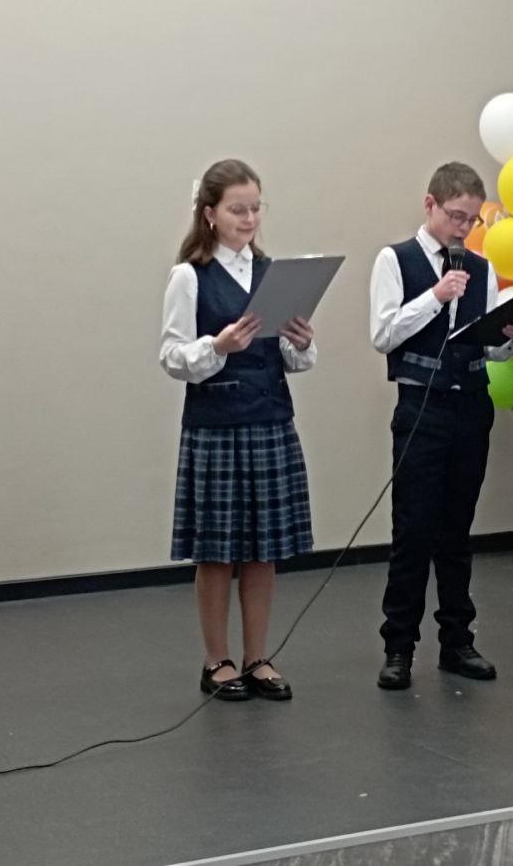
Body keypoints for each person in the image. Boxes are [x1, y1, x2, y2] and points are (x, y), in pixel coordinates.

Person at [368, 161, 513, 690]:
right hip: (421, 407)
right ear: (430, 205)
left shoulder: (482, 269)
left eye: (471, 220)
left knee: (457, 531)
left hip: (470, 407)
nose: (463, 228)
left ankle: (457, 640)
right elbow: (383, 334)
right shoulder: (395, 260)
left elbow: (482, 345)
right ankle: (399, 646)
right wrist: (435, 296)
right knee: (413, 530)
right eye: (456, 216)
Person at [159, 158, 317, 701]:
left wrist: (300, 341)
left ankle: (257, 657)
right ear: (210, 213)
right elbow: (172, 356)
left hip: (270, 419)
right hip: (217, 427)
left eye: (255, 208)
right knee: (217, 551)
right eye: (237, 210)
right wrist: (217, 347)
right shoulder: (190, 276)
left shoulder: (274, 274)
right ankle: (217, 660)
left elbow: (291, 358)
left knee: (262, 549)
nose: (249, 219)